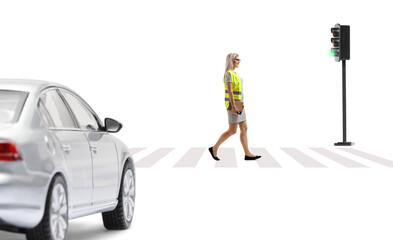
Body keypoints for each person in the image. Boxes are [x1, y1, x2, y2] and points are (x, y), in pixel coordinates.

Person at [209, 53, 261, 161]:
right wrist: (232, 106)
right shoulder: (228, 74)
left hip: (240, 104)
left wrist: (239, 104)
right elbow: (230, 91)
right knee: (232, 130)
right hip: (233, 105)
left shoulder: (235, 73)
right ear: (231, 60)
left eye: (239, 59)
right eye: (237, 59)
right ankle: (214, 148)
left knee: (244, 128)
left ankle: (247, 153)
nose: (239, 61)